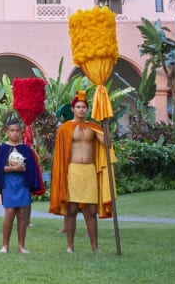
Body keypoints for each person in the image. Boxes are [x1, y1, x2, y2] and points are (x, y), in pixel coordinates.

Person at [49, 91, 115, 253]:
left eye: (84, 107)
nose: (81, 110)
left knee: (91, 211)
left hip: (90, 171)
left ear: (87, 109)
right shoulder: (65, 128)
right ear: (72, 109)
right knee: (71, 209)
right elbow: (60, 153)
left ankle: (94, 246)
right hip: (73, 170)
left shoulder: (93, 128)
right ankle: (70, 246)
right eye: (78, 107)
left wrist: (105, 125)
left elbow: (107, 144)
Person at [0, 117, 42, 253]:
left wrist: (24, 169)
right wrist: (14, 168)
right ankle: (5, 245)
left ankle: (21, 246)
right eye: (11, 130)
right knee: (9, 212)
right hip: (8, 184)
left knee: (22, 214)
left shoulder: (26, 149)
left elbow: (32, 169)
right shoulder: (2, 149)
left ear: (21, 132)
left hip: (22, 184)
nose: (14, 133)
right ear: (7, 132)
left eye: (17, 131)